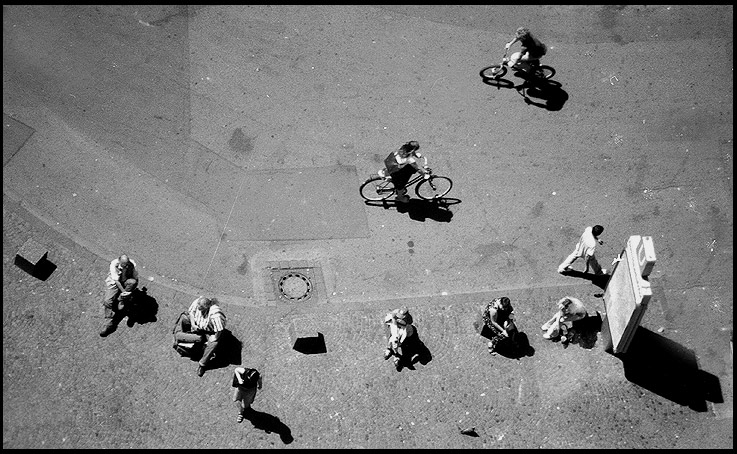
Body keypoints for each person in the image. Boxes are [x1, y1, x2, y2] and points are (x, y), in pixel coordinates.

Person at [184, 296, 227, 377]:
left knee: (213, 344)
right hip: (198, 325)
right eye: (198, 307)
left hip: (210, 330)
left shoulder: (215, 313)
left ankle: (202, 364)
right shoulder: (197, 302)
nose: (198, 309)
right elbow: (191, 312)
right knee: (184, 318)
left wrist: (214, 338)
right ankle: (186, 339)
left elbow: (219, 329)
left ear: (206, 308)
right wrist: (193, 324)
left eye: (201, 309)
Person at [100, 254, 139, 337]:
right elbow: (117, 281)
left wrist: (130, 290)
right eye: (124, 265)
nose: (126, 266)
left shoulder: (132, 264)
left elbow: (135, 278)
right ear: (119, 261)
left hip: (126, 281)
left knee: (132, 282)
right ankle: (109, 322)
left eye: (127, 264)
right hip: (115, 283)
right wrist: (124, 292)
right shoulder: (114, 264)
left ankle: (122, 300)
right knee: (107, 301)